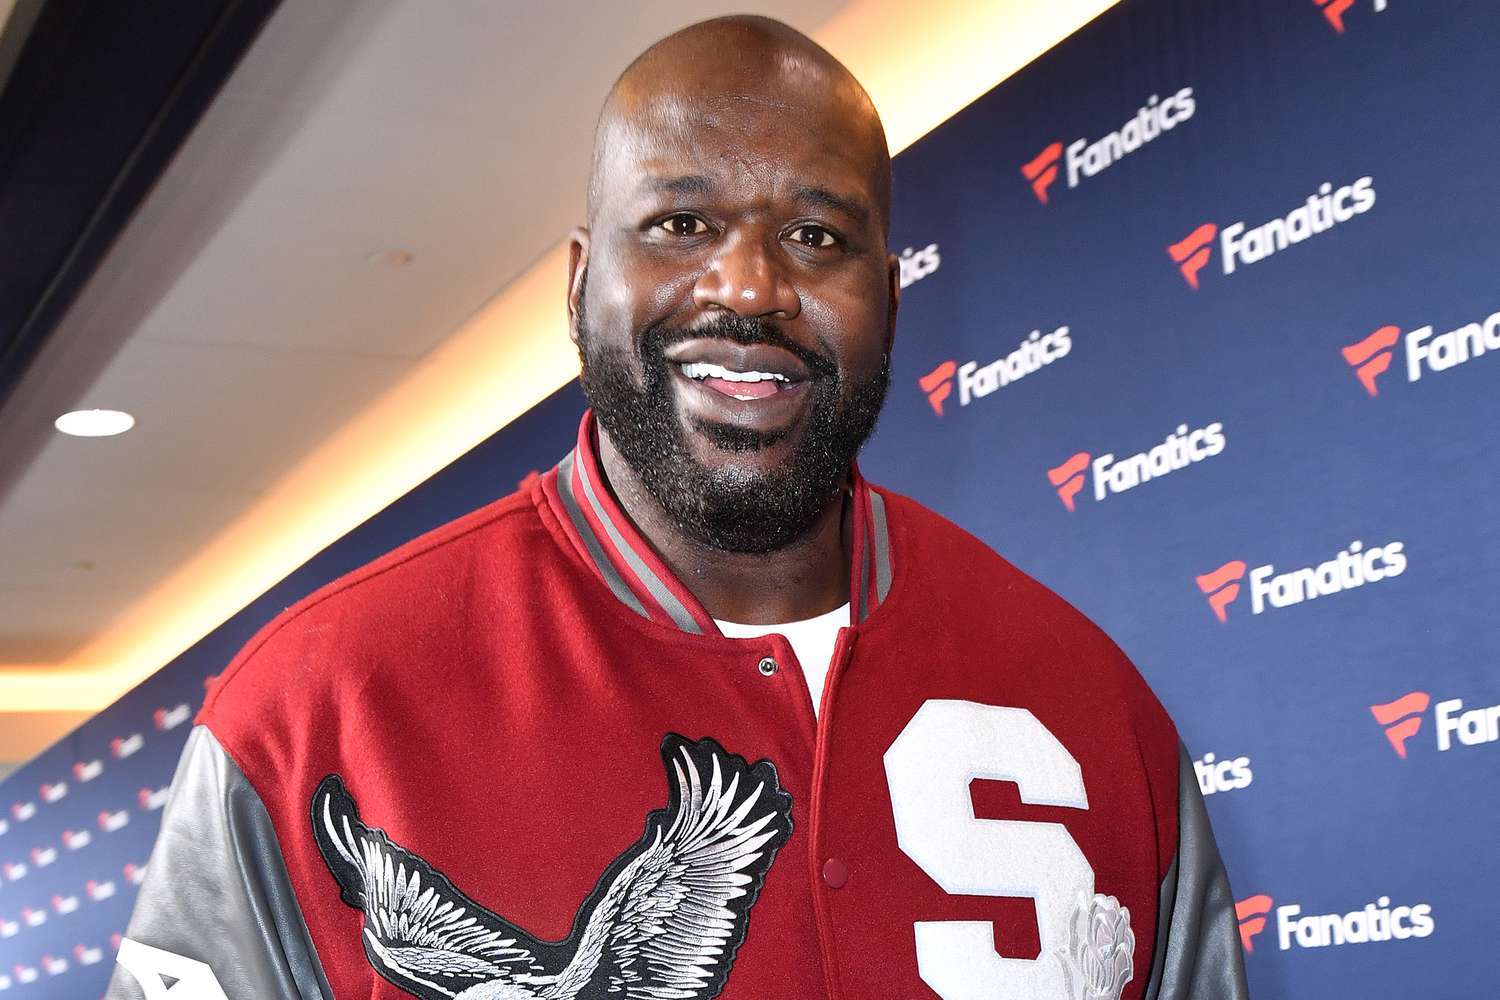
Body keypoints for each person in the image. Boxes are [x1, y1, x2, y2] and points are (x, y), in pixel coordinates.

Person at [109, 15, 1247, 1000]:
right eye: (679, 225)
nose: (749, 287)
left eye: (817, 236)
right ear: (575, 285)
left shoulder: (1092, 702)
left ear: (889, 302)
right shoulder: (312, 713)